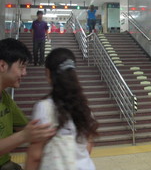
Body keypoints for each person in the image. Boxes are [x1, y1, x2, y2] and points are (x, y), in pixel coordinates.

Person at [25, 48, 98, 170]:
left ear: (48, 74)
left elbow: (35, 156)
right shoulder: (84, 108)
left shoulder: (44, 108)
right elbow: (88, 145)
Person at [0, 38, 56, 170]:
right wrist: (24, 136)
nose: (24, 73)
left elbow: (29, 129)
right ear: (2, 66)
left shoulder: (5, 98)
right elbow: (26, 133)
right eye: (21, 67)